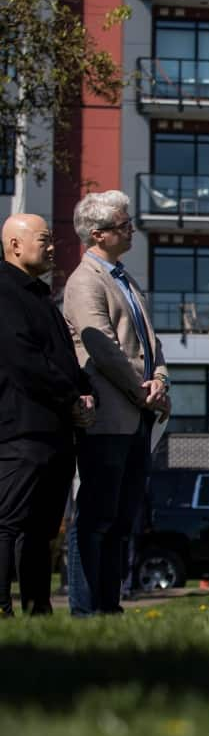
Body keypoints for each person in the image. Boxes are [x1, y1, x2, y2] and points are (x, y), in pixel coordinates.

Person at [62, 191, 169, 616]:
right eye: (124, 225)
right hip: (108, 418)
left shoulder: (125, 279)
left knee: (123, 519)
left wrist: (159, 379)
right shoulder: (84, 281)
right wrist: (141, 389)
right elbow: (102, 349)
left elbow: (151, 343)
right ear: (96, 234)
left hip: (137, 416)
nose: (132, 230)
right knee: (96, 518)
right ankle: (87, 610)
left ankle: (109, 605)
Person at [0, 214, 95, 617]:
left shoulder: (41, 297)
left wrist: (85, 393)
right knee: (8, 522)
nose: (53, 247)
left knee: (41, 530)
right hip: (22, 431)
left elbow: (64, 359)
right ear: (15, 245)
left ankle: (39, 610)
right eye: (44, 239)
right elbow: (24, 360)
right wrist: (73, 395)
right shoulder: (4, 293)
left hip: (55, 432)